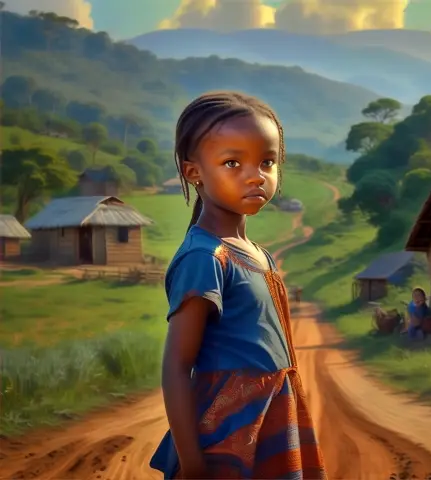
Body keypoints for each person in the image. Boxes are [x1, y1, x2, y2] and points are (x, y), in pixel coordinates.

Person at [149, 91, 326, 479]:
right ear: (194, 172)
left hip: (273, 423)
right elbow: (176, 367)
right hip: (228, 437)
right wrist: (194, 465)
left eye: (267, 161)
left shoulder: (258, 254)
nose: (255, 175)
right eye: (233, 162)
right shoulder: (205, 257)